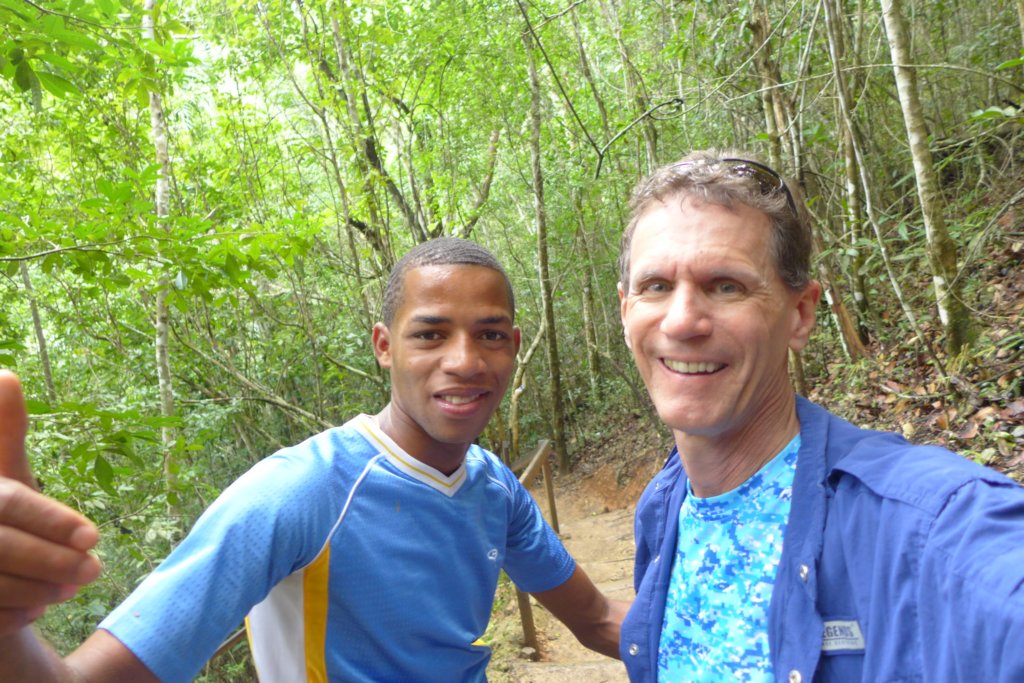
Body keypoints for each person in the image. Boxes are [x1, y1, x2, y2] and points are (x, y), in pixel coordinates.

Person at [0, 237, 626, 682]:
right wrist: (9, 626)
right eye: (430, 334)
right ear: (385, 346)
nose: (464, 360)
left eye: (489, 335)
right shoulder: (301, 491)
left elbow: (597, 619)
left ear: (513, 346)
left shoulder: (495, 488)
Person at [615, 149, 1024, 682]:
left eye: (726, 286)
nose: (682, 321)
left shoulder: (923, 523)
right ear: (626, 312)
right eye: (656, 287)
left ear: (801, 314)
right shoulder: (663, 505)